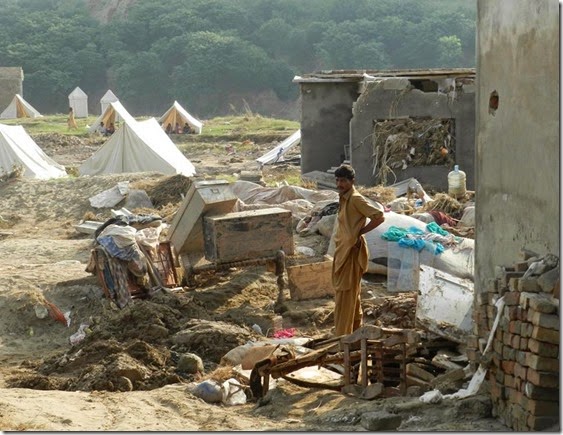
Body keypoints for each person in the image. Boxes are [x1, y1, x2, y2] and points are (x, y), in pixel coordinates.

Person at [331, 164, 385, 336]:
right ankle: (355, 334)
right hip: (343, 251)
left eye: (343, 181)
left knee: (345, 296)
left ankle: (341, 339)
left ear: (352, 181)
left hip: (351, 253)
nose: (340, 184)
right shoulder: (344, 197)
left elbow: (379, 216)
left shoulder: (355, 199)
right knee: (351, 296)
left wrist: (360, 232)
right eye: (338, 180)